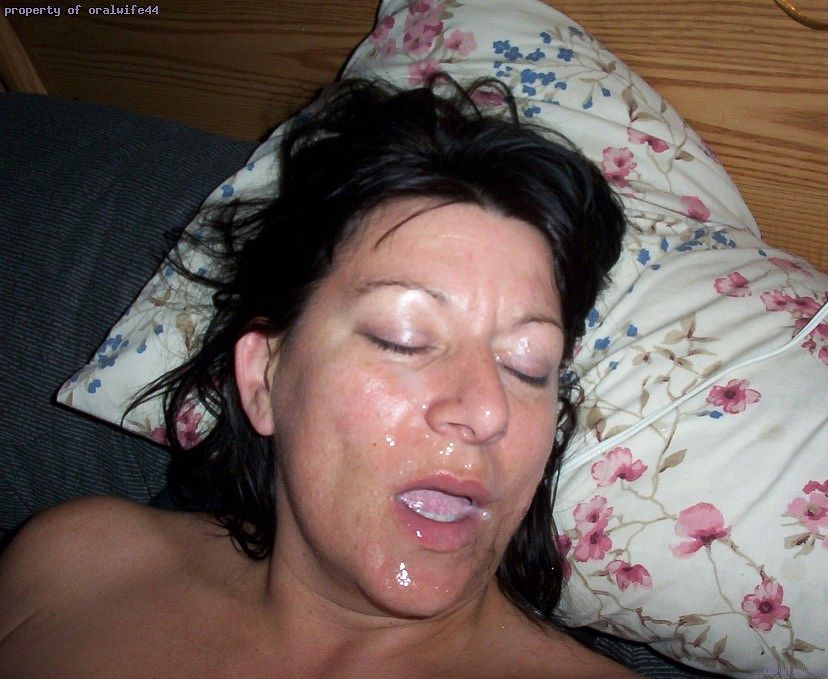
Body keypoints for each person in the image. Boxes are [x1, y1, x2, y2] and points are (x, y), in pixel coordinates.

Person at [0, 77, 632, 676]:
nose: (487, 408)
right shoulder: (70, 569)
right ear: (263, 379)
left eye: (527, 366)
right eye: (403, 338)